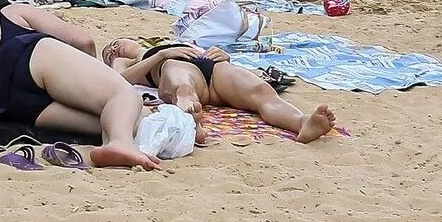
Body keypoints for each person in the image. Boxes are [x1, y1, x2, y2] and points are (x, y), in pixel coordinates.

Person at [0, 0, 163, 170]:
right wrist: (93, 73)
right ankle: (120, 143)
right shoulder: (10, 12)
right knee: (124, 94)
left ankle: (113, 143)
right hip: (27, 56)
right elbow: (83, 41)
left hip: (10, 103)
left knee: (124, 118)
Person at [113, 39, 337, 144]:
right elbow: (119, 81)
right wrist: (161, 56)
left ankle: (301, 122)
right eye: (109, 51)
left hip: (213, 70)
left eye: (117, 42)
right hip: (177, 68)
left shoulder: (168, 42)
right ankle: (191, 121)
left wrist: (224, 56)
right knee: (182, 87)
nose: (115, 48)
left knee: (261, 90)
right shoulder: (126, 61)